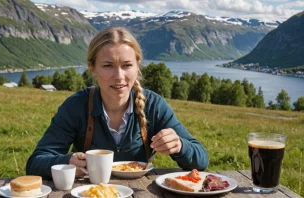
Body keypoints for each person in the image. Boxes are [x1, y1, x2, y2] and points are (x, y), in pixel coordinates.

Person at [26, 27, 208, 179]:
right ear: (93, 69)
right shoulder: (76, 106)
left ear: (137, 66)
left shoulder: (153, 105)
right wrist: (67, 162)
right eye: (107, 66)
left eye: (127, 65)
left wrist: (180, 146)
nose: (119, 76)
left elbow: (202, 160)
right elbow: (35, 163)